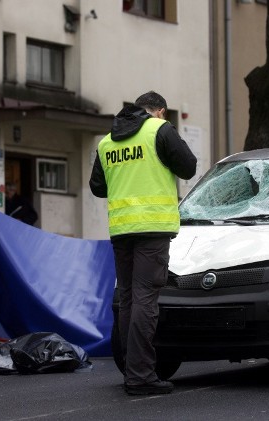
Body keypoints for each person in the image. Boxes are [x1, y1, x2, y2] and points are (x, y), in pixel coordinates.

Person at [89, 91, 197, 395]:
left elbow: (98, 187)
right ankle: (140, 375)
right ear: (159, 111)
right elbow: (188, 167)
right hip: (152, 227)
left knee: (128, 299)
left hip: (122, 230)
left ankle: (131, 370)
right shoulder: (159, 130)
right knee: (146, 298)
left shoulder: (108, 140)